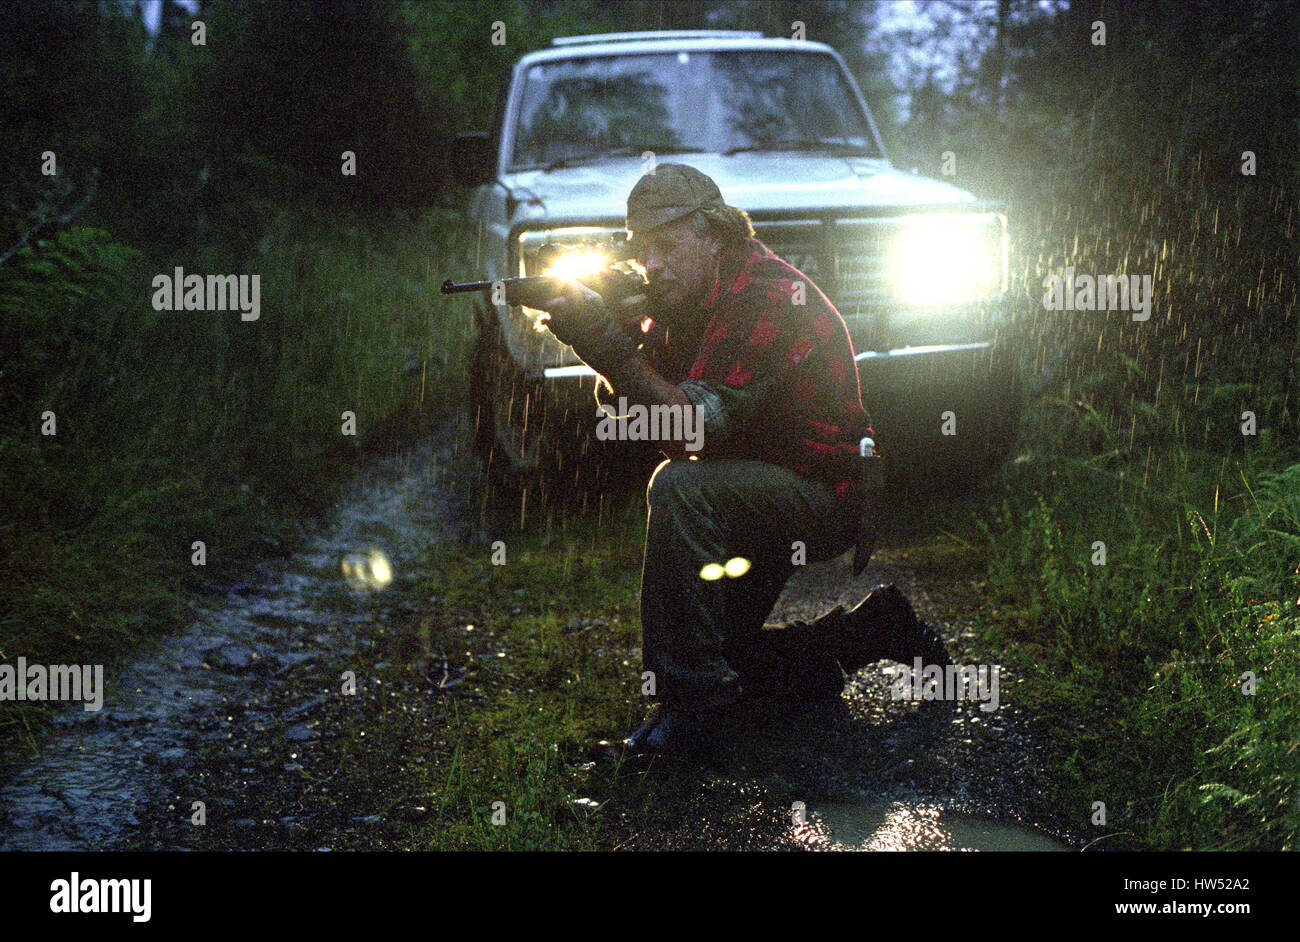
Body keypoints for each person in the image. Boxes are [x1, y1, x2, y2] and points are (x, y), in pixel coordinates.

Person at [538, 164, 949, 753]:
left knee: (680, 487)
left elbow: (687, 432)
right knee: (730, 659)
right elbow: (637, 415)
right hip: (762, 489)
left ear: (715, 235)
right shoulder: (688, 300)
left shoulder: (766, 296)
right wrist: (624, 340)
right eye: (641, 251)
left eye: (668, 247)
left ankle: (697, 714)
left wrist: (606, 345)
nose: (651, 265)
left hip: (821, 492)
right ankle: (868, 631)